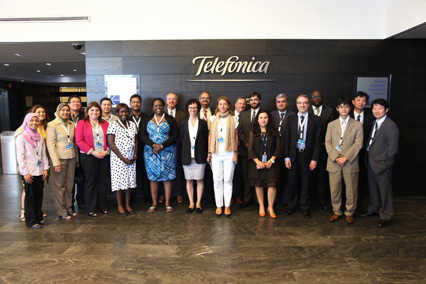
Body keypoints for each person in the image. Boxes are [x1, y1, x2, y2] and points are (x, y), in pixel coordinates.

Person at [325, 97, 363, 224]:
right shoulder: (331, 125)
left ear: (350, 108)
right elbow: (328, 143)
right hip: (334, 162)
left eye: (346, 106)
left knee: (351, 189)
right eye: (341, 107)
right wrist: (336, 157)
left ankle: (350, 212)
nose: (344, 109)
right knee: (335, 189)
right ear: (337, 109)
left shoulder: (357, 125)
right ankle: (337, 211)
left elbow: (358, 144)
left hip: (350, 162)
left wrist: (345, 157)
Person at [361, 99, 399, 227]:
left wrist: (387, 163)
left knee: (385, 190)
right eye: (374, 108)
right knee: (373, 188)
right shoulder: (375, 122)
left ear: (386, 110)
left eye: (380, 108)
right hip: (371, 161)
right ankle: (374, 208)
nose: (377, 111)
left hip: (382, 164)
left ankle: (386, 215)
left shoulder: (390, 125)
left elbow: (392, 148)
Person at [284, 94, 321, 218]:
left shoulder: (315, 120)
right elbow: (287, 139)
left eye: (305, 102)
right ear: (296, 104)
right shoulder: (290, 119)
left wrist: (314, 159)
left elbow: (317, 141)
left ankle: (305, 207)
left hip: (308, 156)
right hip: (293, 156)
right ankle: (291, 206)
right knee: (292, 182)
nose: (302, 105)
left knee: (306, 183)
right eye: (300, 103)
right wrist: (287, 157)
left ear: (309, 104)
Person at [140, 98, 178, 213]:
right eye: (156, 106)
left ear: (163, 107)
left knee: (167, 177)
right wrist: (153, 145)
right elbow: (143, 135)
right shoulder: (147, 119)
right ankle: (154, 202)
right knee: (153, 177)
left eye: (160, 105)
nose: (158, 107)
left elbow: (175, 135)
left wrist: (161, 146)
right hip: (151, 152)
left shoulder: (170, 119)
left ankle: (167, 202)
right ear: (153, 107)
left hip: (168, 152)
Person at [16, 104, 50, 222]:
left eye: (36, 120)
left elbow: (43, 154)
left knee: (38, 195)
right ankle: (30, 220)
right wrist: (25, 172)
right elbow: (20, 156)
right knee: (29, 196)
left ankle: (38, 216)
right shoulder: (21, 137)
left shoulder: (39, 136)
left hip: (39, 170)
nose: (34, 123)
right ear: (26, 121)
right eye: (32, 121)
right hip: (29, 171)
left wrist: (46, 169)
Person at [76, 101, 110, 217]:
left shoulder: (105, 123)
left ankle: (102, 206)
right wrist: (93, 152)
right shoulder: (82, 123)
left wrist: (107, 151)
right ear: (88, 112)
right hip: (88, 156)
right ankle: (91, 207)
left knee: (102, 181)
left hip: (104, 156)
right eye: (92, 110)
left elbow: (110, 139)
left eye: (96, 110)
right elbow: (79, 141)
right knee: (90, 182)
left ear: (100, 112)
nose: (94, 112)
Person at [46, 103, 79, 220]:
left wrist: (76, 159)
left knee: (69, 184)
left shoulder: (71, 124)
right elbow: (50, 145)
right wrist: (56, 163)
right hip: (59, 158)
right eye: (63, 110)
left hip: (71, 157)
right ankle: (61, 210)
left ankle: (69, 207)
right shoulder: (52, 125)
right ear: (58, 111)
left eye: (67, 110)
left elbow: (74, 143)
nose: (65, 112)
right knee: (59, 185)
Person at [208, 96, 239, 217]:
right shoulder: (212, 119)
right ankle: (219, 206)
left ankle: (227, 206)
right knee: (217, 180)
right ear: (217, 106)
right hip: (216, 154)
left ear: (229, 106)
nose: (222, 106)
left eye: (225, 104)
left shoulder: (234, 118)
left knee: (228, 180)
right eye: (220, 104)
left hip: (229, 153)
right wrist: (209, 153)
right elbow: (210, 136)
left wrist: (236, 153)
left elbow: (236, 137)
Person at [248, 110, 281, 218]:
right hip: (257, 163)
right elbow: (250, 148)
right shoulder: (253, 131)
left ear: (269, 119)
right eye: (261, 118)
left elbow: (278, 147)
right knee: (259, 185)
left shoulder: (274, 131)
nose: (263, 120)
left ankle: (270, 207)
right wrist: (257, 161)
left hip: (271, 163)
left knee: (272, 186)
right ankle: (261, 205)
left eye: (265, 117)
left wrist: (271, 160)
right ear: (257, 119)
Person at [107, 103, 137, 216]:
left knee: (129, 182)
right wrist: (123, 158)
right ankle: (120, 206)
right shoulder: (113, 124)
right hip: (118, 160)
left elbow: (136, 141)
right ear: (117, 113)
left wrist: (134, 155)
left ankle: (128, 205)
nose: (124, 114)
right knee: (119, 183)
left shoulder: (132, 124)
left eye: (125, 111)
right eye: (121, 112)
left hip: (131, 159)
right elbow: (111, 144)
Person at [158, 92, 188, 204]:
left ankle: (179, 193)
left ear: (177, 101)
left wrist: (176, 143)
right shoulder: (160, 113)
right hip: (163, 148)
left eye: (173, 99)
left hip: (178, 147)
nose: (171, 101)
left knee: (178, 171)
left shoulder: (183, 114)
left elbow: (184, 132)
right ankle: (162, 194)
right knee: (163, 170)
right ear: (166, 101)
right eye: (169, 99)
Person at [180, 98, 208, 214]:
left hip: (200, 155)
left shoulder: (203, 123)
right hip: (187, 156)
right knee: (189, 180)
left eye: (195, 107)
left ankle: (198, 203)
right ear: (187, 109)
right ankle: (191, 202)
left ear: (198, 109)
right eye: (191, 107)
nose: (193, 109)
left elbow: (205, 140)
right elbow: (182, 139)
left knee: (200, 180)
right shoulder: (183, 124)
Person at [309, 90, 335, 210]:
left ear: (322, 97)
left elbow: (332, 130)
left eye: (319, 96)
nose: (317, 98)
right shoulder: (306, 109)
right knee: (308, 176)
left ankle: (321, 199)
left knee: (322, 176)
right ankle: (308, 199)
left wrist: (324, 143)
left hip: (324, 148)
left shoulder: (329, 111)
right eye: (314, 96)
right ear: (311, 98)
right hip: (308, 149)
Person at [349, 91, 374, 214]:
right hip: (348, 154)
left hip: (364, 154)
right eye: (359, 100)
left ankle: (358, 205)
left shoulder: (371, 117)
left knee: (361, 180)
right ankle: (347, 205)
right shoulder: (347, 116)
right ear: (353, 102)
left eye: (364, 100)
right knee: (348, 180)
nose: (361, 103)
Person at [238, 92, 263, 208]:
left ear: (260, 101)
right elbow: (240, 131)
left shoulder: (264, 114)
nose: (253, 102)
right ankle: (247, 200)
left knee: (259, 176)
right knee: (246, 176)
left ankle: (259, 201)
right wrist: (247, 143)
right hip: (245, 151)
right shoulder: (243, 114)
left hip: (260, 152)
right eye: (251, 100)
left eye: (256, 100)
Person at [270, 93, 296, 205]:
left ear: (287, 103)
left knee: (287, 178)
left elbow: (294, 135)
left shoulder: (293, 115)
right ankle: (273, 200)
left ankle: (286, 201)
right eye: (279, 102)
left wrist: (283, 145)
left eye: (283, 101)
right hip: (273, 152)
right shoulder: (270, 115)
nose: (281, 104)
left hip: (287, 152)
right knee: (274, 177)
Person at [129, 94, 150, 204]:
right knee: (131, 174)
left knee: (144, 174)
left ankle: (147, 197)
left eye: (138, 102)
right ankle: (131, 198)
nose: (136, 104)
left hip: (145, 150)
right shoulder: (126, 118)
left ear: (141, 104)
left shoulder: (147, 117)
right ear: (130, 104)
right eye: (133, 102)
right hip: (130, 151)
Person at [68, 95, 86, 209]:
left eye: (78, 102)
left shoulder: (84, 116)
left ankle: (81, 199)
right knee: (69, 177)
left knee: (81, 177)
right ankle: (70, 201)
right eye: (73, 102)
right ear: (69, 104)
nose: (76, 104)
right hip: (69, 150)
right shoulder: (64, 115)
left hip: (82, 150)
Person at [198, 91, 214, 204]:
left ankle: (209, 195)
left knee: (209, 173)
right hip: (198, 146)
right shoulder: (193, 112)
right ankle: (197, 196)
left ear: (210, 100)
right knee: (198, 172)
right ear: (199, 100)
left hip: (212, 146)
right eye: (203, 98)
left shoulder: (215, 114)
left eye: (207, 98)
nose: (205, 100)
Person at [232, 96, 246, 205]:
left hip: (244, 150)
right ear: (235, 105)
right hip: (231, 150)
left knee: (240, 174)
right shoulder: (230, 116)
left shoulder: (247, 116)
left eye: (244, 104)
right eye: (240, 103)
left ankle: (238, 195)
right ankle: (230, 196)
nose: (242, 106)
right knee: (230, 174)